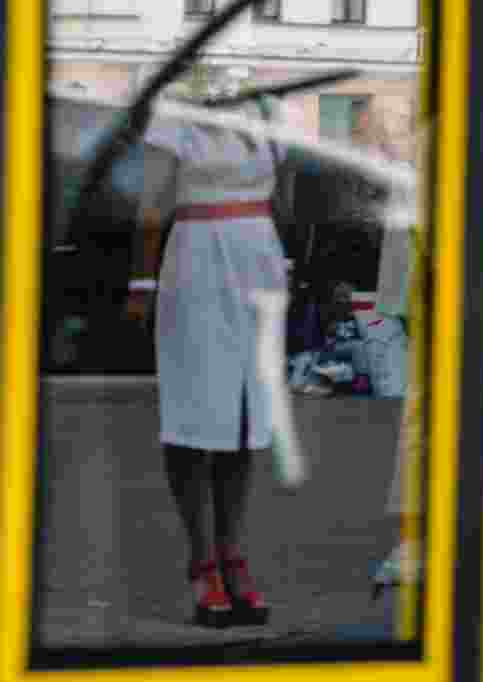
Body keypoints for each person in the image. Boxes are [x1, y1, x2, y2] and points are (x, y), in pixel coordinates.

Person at [133, 96, 291, 628]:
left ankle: (232, 554)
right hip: (197, 262)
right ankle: (202, 561)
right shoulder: (176, 108)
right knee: (195, 413)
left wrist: (285, 266)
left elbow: (281, 199)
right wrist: (142, 282)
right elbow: (151, 204)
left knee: (247, 418)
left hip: (259, 263)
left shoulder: (269, 109)